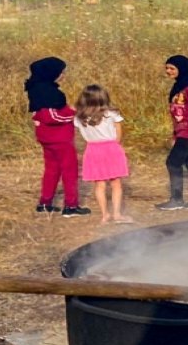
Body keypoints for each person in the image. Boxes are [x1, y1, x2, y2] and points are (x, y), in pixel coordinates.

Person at [25, 57, 90, 218]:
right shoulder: (51, 93)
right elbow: (51, 117)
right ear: (51, 73)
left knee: (52, 170)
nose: (63, 75)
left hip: (46, 137)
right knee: (70, 171)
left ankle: (45, 203)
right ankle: (71, 206)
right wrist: (73, 112)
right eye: (61, 72)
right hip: (59, 138)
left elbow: (39, 115)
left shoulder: (35, 89)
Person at [155, 55, 188, 211]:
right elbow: (177, 115)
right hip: (182, 132)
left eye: (172, 68)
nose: (168, 71)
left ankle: (177, 200)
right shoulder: (178, 88)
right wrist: (175, 135)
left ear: (182, 69)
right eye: (167, 68)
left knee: (172, 163)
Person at [74, 84, 133, 225]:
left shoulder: (79, 117)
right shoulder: (111, 114)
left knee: (99, 185)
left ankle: (104, 215)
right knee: (116, 184)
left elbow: (79, 134)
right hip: (111, 148)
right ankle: (117, 214)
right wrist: (116, 147)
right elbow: (118, 134)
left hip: (93, 150)